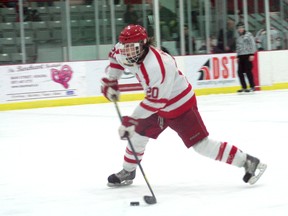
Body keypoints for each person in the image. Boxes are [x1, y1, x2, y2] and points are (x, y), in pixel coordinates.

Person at [101, 24, 267, 187]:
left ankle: (248, 161)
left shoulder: (158, 65)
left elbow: (157, 101)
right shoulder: (125, 50)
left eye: (132, 47)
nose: (127, 51)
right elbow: (115, 57)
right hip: (158, 103)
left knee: (202, 145)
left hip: (179, 105)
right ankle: (128, 171)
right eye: (125, 46)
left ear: (143, 45)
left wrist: (132, 119)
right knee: (137, 134)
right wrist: (112, 80)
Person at [236, 22, 257, 93]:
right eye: (239, 28)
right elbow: (238, 47)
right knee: (239, 72)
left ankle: (252, 86)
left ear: (244, 28)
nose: (240, 29)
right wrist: (238, 56)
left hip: (248, 55)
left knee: (248, 71)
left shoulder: (249, 35)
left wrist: (252, 54)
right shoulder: (238, 37)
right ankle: (244, 87)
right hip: (241, 56)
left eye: (241, 27)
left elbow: (253, 44)